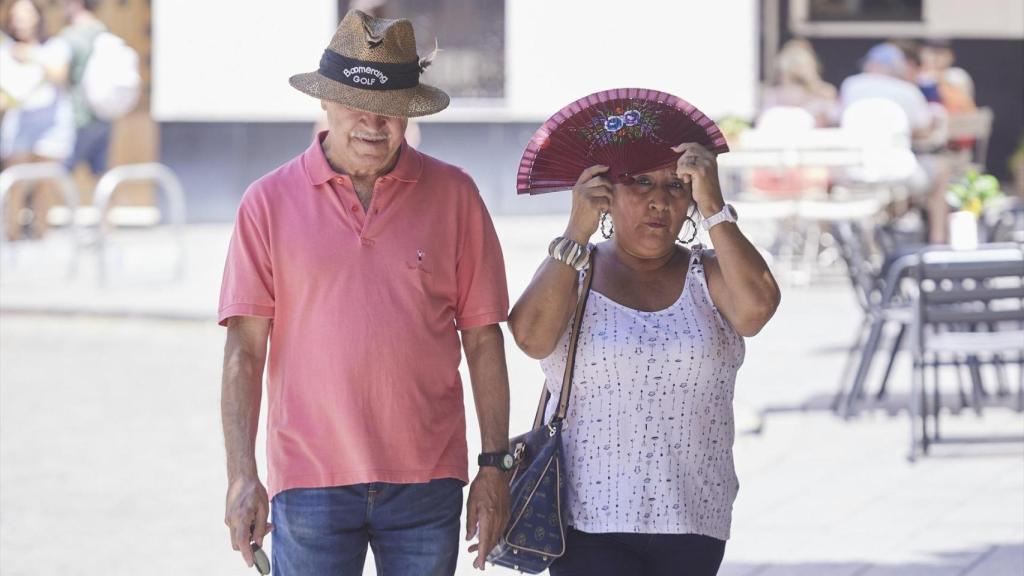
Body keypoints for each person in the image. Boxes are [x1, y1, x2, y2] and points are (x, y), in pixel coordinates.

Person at [218, 10, 512, 575]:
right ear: (324, 103)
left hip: (428, 481)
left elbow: (482, 338)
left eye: (390, 109)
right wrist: (241, 474)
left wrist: (494, 465)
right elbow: (245, 351)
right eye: (356, 104)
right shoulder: (266, 202)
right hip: (308, 482)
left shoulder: (455, 196)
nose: (373, 124)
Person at [508, 129, 782, 572]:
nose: (660, 201)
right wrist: (576, 230)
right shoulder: (575, 273)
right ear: (606, 193)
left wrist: (715, 206)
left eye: (676, 185)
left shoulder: (710, 276)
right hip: (585, 523)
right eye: (640, 182)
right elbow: (530, 337)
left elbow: (757, 309)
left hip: (695, 517)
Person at [0, 0, 74, 240]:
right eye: (16, 16)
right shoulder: (5, 49)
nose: (21, 21)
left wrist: (30, 55)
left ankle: (41, 234)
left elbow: (60, 75)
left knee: (45, 183)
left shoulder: (54, 46)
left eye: (26, 15)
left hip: (51, 122)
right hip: (19, 120)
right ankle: (12, 236)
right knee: (16, 182)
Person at [58, 0, 110, 176]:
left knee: (57, 176)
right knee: (102, 176)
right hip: (103, 112)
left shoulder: (70, 35)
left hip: (77, 115)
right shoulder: (103, 31)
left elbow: (61, 76)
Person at [759, 38, 838, 127]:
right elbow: (764, 123)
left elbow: (834, 119)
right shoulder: (774, 94)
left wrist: (811, 82)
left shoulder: (825, 92)